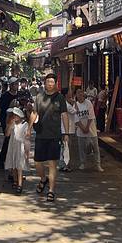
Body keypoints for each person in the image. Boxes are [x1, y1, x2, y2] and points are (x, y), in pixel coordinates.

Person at [31, 73, 69, 202]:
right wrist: (29, 129)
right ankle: (43, 179)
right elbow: (34, 113)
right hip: (41, 134)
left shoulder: (60, 98)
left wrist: (66, 133)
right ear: (45, 83)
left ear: (56, 83)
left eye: (52, 82)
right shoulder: (39, 97)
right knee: (37, 162)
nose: (50, 84)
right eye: (48, 82)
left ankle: (51, 190)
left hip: (54, 135)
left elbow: (64, 115)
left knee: (52, 164)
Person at [75, 88, 103, 172]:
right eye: (78, 93)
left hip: (91, 128)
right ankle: (82, 163)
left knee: (95, 147)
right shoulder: (75, 105)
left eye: (81, 93)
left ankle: (97, 164)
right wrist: (82, 128)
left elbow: (91, 116)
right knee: (82, 147)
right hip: (80, 130)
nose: (80, 95)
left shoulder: (88, 103)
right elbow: (76, 119)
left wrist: (87, 127)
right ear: (76, 95)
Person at [5, 106, 31, 194]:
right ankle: (15, 180)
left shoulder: (25, 124)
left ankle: (20, 184)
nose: (14, 117)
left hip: (20, 146)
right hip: (12, 146)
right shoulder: (12, 124)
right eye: (13, 115)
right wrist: (10, 125)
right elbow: (7, 134)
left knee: (19, 165)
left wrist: (27, 151)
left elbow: (27, 138)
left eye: (15, 115)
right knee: (13, 164)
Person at [0, 77, 19, 170]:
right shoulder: (5, 96)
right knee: (8, 140)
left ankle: (11, 162)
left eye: (17, 84)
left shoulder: (20, 95)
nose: (17, 86)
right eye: (15, 84)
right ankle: (1, 161)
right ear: (11, 85)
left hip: (17, 121)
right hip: (6, 121)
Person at [59, 87, 77, 172]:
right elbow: (75, 111)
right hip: (67, 130)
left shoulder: (63, 103)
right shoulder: (66, 104)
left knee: (64, 147)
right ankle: (66, 165)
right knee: (67, 148)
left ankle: (62, 164)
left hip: (64, 129)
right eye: (70, 91)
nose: (71, 92)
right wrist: (74, 103)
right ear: (66, 94)